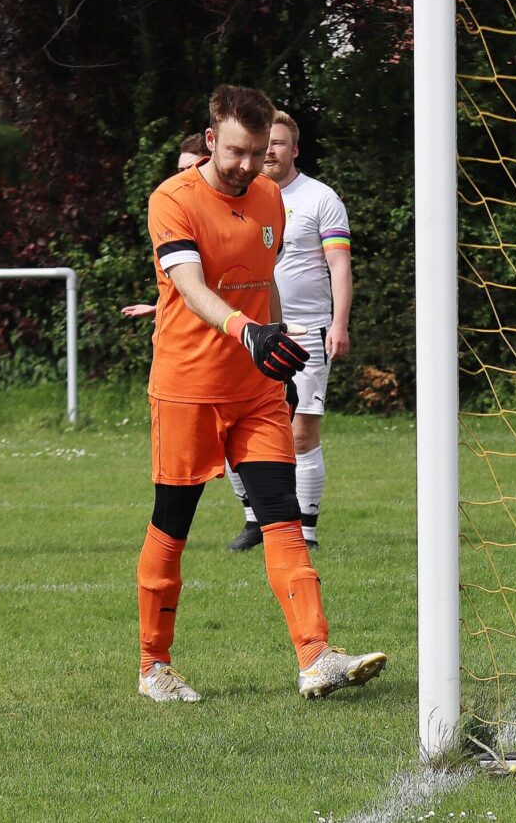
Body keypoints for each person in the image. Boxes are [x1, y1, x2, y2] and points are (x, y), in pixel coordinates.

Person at [136, 84, 385, 702]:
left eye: (258, 152)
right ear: (211, 139)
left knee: (283, 514)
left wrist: (276, 344)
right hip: (188, 388)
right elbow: (190, 284)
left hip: (256, 388)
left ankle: (316, 656)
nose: (249, 165)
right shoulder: (173, 199)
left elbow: (265, 282)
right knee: (173, 523)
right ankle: (154, 666)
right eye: (236, 152)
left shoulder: (271, 197)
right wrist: (248, 331)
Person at [226, 110, 353, 553]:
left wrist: (339, 323)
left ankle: (306, 530)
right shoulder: (242, 197)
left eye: (278, 144)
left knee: (300, 433)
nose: (269, 152)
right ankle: (254, 522)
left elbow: (339, 265)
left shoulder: (320, 198)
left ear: (294, 149)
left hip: (305, 329)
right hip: (248, 331)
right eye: (265, 144)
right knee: (234, 429)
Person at [122, 133, 210, 318]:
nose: (184, 175)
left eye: (190, 168)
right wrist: (160, 307)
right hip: (180, 327)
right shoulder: (169, 206)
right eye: (180, 170)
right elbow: (184, 282)